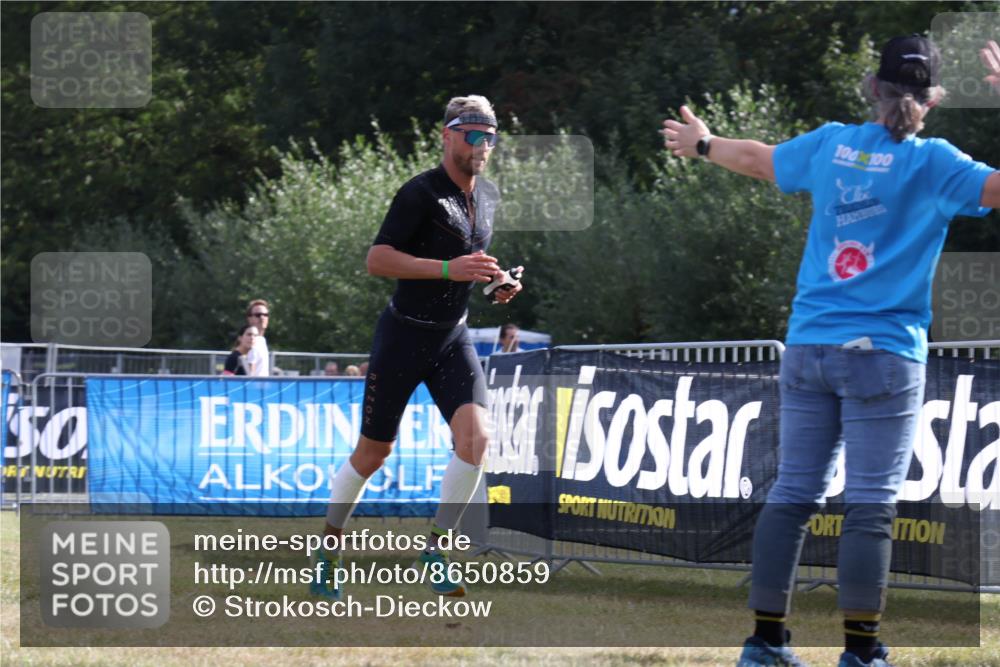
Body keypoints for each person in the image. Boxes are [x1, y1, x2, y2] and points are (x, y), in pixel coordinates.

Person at [662, 35, 999, 667]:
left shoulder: (832, 144)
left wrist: (702, 144)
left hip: (809, 345)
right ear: (932, 99)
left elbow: (759, 160)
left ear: (872, 88)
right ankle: (861, 652)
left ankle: (765, 644)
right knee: (870, 504)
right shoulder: (935, 163)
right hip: (886, 354)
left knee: (792, 494)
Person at [312, 94, 523, 600]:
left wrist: (493, 281)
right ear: (447, 135)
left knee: (477, 442)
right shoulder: (419, 193)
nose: (482, 144)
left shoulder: (489, 195)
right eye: (472, 133)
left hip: (452, 337)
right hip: (403, 334)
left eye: (489, 135)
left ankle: (437, 549)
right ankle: (328, 550)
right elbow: (378, 259)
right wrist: (450, 270)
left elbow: (468, 260)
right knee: (373, 452)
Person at [244, 299, 271, 377]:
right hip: (254, 388)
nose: (262, 317)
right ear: (249, 318)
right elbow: (250, 374)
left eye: (266, 315)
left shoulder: (262, 340)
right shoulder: (251, 341)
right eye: (258, 315)